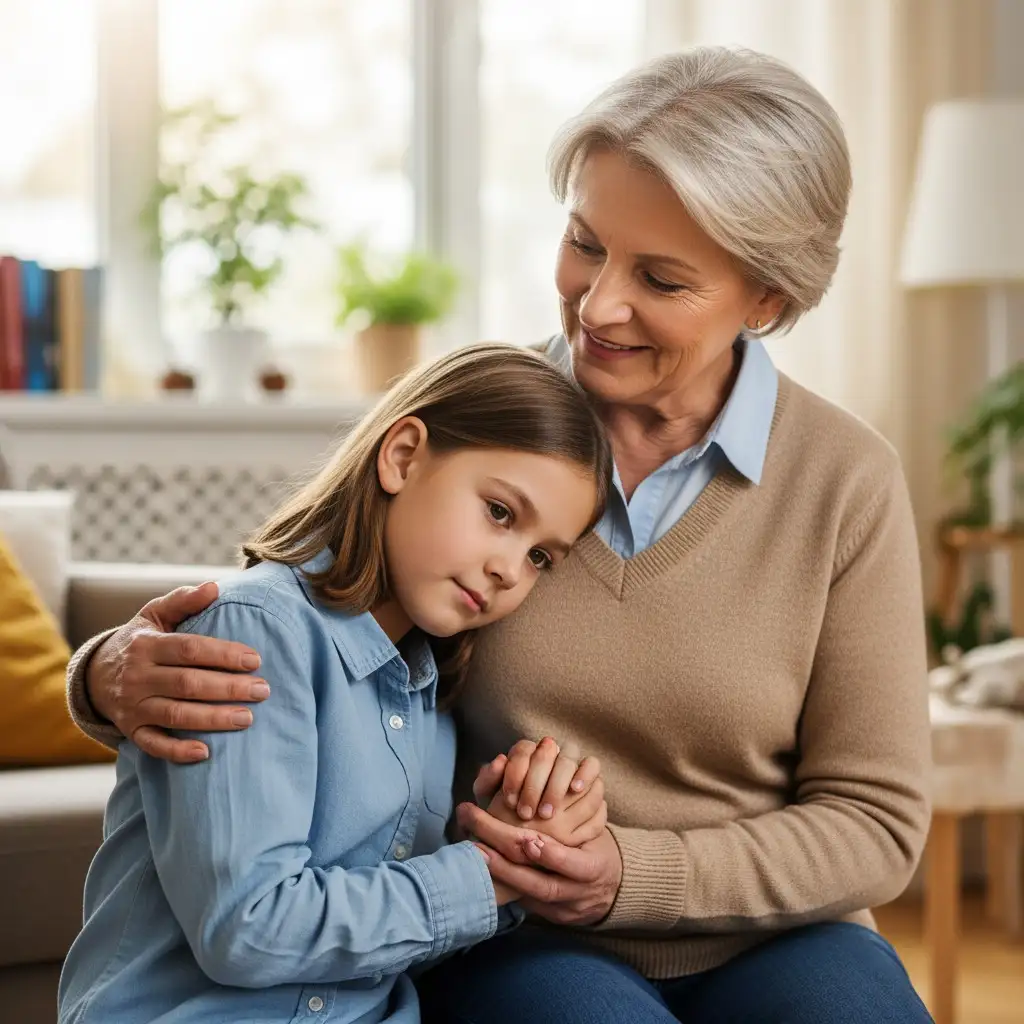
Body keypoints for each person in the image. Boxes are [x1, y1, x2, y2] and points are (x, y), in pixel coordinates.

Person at [66, 46, 933, 1023]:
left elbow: (876, 822)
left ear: (767, 298)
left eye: (660, 279)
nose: (599, 304)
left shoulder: (845, 480)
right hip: (511, 933)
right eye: (584, 243)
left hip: (772, 931)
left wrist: (630, 873)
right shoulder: (484, 421)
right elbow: (308, 609)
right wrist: (106, 677)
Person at [58, 343, 614, 1024]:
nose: (509, 569)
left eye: (539, 557)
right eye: (499, 512)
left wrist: (519, 845)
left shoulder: (425, 690)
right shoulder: (256, 633)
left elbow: (377, 948)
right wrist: (484, 875)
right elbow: (249, 932)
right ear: (402, 456)